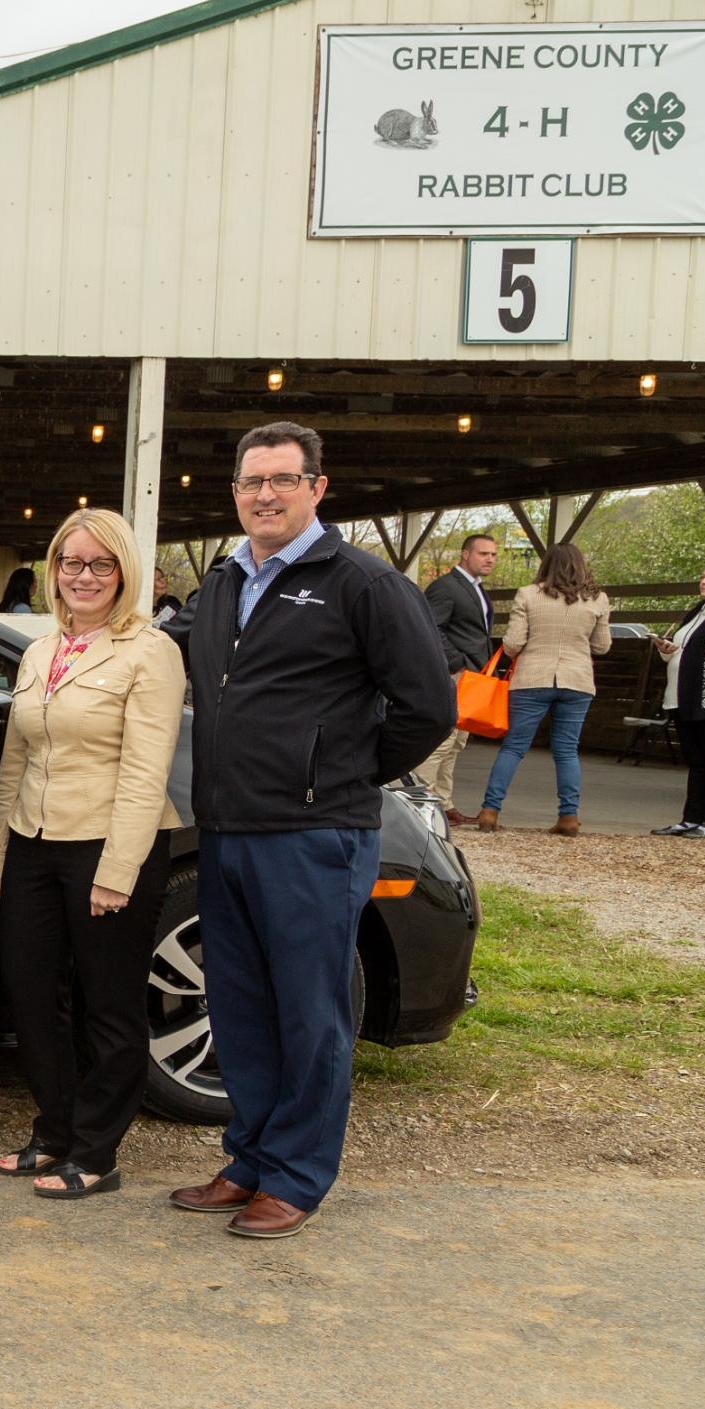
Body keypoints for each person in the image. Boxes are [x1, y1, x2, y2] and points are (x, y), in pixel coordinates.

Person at [166, 422, 453, 1239]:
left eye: (283, 480)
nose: (265, 494)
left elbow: (427, 705)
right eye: (252, 481)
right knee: (242, 1005)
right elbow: (165, 655)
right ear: (235, 492)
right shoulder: (224, 583)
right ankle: (250, 1157)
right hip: (226, 829)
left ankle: (297, 1174)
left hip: (314, 835)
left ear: (317, 487)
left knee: (310, 1010)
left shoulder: (361, 582)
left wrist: (340, 772)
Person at [0, 509, 184, 1198]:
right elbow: (16, 760)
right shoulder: (41, 650)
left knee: (109, 1005)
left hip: (109, 844)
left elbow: (144, 770)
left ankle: (97, 1149)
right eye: (71, 562)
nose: (83, 576)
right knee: (32, 995)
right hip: (34, 843)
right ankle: (56, 1129)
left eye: (100, 564)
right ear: (52, 570)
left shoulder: (149, 651)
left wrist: (117, 871)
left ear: (124, 571)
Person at [471, 543, 612, 836]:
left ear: (547, 564)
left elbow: (512, 645)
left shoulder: (528, 594)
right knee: (567, 750)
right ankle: (569, 817)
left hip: (532, 680)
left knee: (514, 747)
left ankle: (490, 811)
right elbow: (602, 645)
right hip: (577, 681)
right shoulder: (597, 599)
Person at [420, 532, 500, 825]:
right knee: (443, 739)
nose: (490, 559)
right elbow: (430, 627)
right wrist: (457, 664)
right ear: (465, 554)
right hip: (454, 674)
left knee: (456, 743)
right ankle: (421, 800)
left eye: (493, 554)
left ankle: (444, 802)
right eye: (483, 553)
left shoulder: (476, 588)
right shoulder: (446, 587)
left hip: (472, 677)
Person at [651, 558, 705, 838]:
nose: (704, 581)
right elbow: (684, 646)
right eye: (702, 577)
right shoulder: (698, 611)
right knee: (696, 759)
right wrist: (667, 650)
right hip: (685, 696)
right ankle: (692, 817)